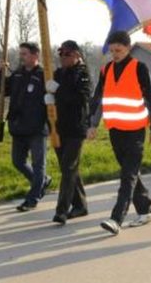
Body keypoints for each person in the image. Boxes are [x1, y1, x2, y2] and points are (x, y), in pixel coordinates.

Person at [89, 31, 151, 235]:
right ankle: (146, 208)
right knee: (130, 173)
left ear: (128, 48)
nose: (114, 54)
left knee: (127, 175)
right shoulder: (106, 70)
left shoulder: (140, 68)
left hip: (135, 131)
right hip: (115, 130)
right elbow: (98, 99)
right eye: (111, 51)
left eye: (118, 50)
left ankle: (116, 218)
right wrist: (92, 124)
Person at [0, 42, 51, 212]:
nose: (22, 57)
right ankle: (42, 181)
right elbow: (4, 90)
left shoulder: (44, 75)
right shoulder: (18, 74)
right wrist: (0, 72)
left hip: (37, 128)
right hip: (18, 127)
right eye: (21, 53)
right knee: (18, 162)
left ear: (36, 55)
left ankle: (32, 198)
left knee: (38, 164)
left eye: (25, 54)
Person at [49, 40, 92, 225]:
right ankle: (80, 205)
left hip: (76, 127)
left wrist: (57, 92)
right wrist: (48, 95)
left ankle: (61, 210)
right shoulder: (58, 73)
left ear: (77, 55)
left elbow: (81, 98)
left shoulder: (83, 74)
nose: (63, 58)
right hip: (59, 127)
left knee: (68, 167)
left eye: (67, 54)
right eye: (61, 55)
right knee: (69, 168)